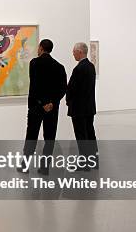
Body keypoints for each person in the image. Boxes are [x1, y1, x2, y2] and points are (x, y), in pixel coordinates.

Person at [18, 39, 67, 175]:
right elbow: (63, 88)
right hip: (52, 108)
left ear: (41, 48)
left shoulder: (34, 63)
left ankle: (25, 166)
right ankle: (45, 167)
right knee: (50, 138)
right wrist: (51, 102)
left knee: (31, 136)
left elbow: (35, 86)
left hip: (36, 107)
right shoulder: (59, 67)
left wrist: (42, 102)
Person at [66, 42, 98, 170]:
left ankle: (84, 163)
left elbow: (72, 88)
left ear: (80, 52)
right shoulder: (91, 66)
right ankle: (93, 161)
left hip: (79, 108)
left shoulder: (79, 68)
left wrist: (68, 100)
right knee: (90, 133)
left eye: (74, 51)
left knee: (81, 135)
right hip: (89, 107)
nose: (73, 53)